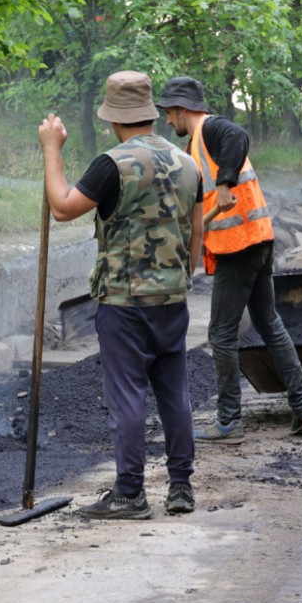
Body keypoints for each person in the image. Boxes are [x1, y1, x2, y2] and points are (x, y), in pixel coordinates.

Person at [38, 70, 203, 519]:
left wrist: (52, 149)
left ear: (113, 118)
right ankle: (181, 487)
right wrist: (178, 279)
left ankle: (130, 493)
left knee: (128, 395)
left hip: (124, 303)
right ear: (149, 113)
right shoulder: (188, 164)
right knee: (175, 392)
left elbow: (61, 206)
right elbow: (196, 237)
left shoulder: (112, 164)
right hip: (173, 299)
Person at [157, 76, 302, 444]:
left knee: (221, 333)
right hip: (258, 239)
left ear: (183, 109)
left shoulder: (211, 129)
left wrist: (226, 184)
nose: (168, 120)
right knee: (269, 322)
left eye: (169, 113)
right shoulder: (197, 144)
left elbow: (238, 136)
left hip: (239, 246)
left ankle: (229, 420)